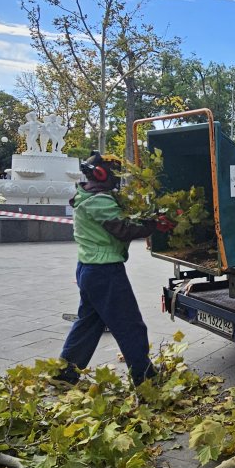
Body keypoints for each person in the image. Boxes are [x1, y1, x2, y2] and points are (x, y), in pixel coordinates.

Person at [55, 151, 159, 387]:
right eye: (115, 174)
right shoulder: (99, 200)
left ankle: (64, 374)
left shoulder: (86, 196)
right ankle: (144, 377)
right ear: (102, 174)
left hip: (89, 269)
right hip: (105, 272)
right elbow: (123, 229)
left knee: (88, 324)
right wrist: (154, 224)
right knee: (129, 325)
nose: (117, 179)